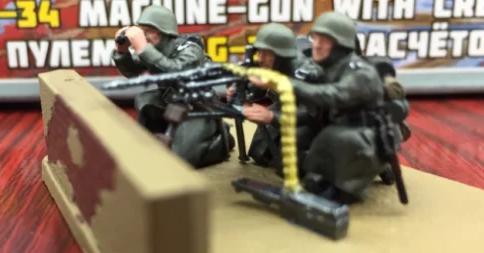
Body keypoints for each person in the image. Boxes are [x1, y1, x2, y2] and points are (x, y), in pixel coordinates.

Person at [249, 11, 402, 203]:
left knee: (335, 166)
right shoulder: (325, 68)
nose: (317, 45)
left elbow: (332, 95)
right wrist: (273, 116)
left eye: (325, 41)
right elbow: (312, 112)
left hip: (361, 131)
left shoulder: (361, 73)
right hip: (332, 124)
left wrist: (284, 84)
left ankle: (359, 177)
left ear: (340, 45)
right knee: (293, 164)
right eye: (316, 38)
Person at [111, 5, 234, 168]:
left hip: (196, 107)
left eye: (147, 31)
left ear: (163, 32)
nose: (143, 36)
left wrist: (143, 48)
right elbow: (132, 72)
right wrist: (122, 52)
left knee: (180, 160)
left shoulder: (191, 49)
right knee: (145, 100)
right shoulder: (154, 49)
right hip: (169, 101)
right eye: (141, 31)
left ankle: (220, 141)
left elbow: (176, 71)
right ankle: (148, 140)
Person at [226, 23, 325, 175]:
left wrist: (273, 117)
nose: (260, 58)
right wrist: (241, 90)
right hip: (284, 106)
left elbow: (312, 113)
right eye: (259, 52)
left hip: (311, 117)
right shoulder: (271, 65)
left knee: (290, 164)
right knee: (259, 151)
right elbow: (258, 87)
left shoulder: (305, 72)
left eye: (267, 53)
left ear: (281, 55)